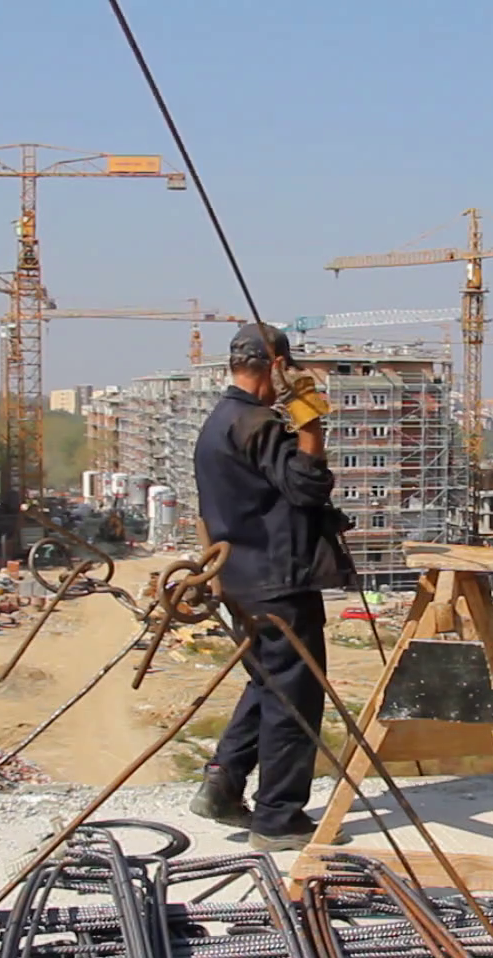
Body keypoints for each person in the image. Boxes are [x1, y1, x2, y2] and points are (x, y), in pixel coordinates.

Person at [188, 323, 350, 851]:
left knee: (266, 682)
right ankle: (280, 818)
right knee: (294, 697)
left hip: (241, 579)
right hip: (279, 580)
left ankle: (223, 783)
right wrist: (309, 419)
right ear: (276, 364)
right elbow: (306, 485)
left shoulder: (219, 421)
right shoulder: (257, 422)